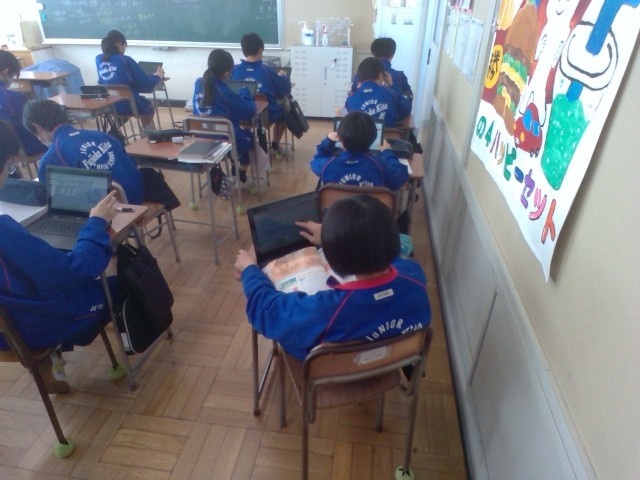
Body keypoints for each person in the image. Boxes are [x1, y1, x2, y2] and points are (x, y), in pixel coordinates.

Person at [0, 119, 120, 393]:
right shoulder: (4, 231)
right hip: (25, 327)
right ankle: (56, 352)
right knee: (112, 278)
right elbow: (73, 271)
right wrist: (97, 222)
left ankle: (49, 365)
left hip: (6, 324)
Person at [235, 194, 431, 361]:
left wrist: (249, 270)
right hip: (392, 360)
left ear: (338, 260)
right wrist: (336, 236)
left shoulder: (326, 311)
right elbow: (384, 254)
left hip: (332, 370)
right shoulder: (414, 275)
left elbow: (268, 311)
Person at [23, 99, 144, 204]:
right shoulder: (102, 135)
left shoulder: (51, 158)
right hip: (139, 198)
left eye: (36, 134)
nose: (38, 139)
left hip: (110, 213)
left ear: (37, 127)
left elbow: (53, 200)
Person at [193, 49, 257, 183]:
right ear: (227, 73)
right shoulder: (225, 92)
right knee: (248, 136)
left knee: (234, 131)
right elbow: (249, 111)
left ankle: (233, 169)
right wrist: (245, 93)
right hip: (226, 144)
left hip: (201, 140)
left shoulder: (198, 84)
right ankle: (241, 173)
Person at [310, 111, 408, 190]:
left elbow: (317, 159)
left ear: (340, 138)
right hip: (370, 209)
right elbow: (400, 176)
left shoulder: (327, 164)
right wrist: (388, 153)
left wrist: (329, 141)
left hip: (336, 209)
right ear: (373, 138)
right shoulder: (379, 165)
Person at [231, 32, 291, 153]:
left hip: (240, 115)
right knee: (285, 110)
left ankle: (247, 138)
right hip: (266, 116)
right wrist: (283, 76)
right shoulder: (267, 71)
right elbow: (284, 89)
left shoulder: (234, 70)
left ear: (243, 50)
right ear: (260, 49)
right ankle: (275, 144)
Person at [95, 30, 164, 129]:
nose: (125, 48)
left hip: (109, 104)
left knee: (124, 104)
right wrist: (157, 76)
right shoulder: (125, 60)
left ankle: (114, 131)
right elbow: (147, 85)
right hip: (127, 103)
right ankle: (149, 132)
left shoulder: (99, 59)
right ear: (119, 45)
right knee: (150, 104)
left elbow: (103, 80)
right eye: (125, 45)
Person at [0, 50, 47, 163]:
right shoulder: (14, 97)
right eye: (13, 76)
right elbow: (29, 124)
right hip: (19, 150)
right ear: (6, 72)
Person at [345, 57, 412, 128]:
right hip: (387, 134)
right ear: (380, 75)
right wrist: (391, 85)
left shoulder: (350, 99)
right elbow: (406, 110)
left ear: (359, 78)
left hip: (361, 134)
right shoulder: (391, 93)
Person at [351, 37, 413, 102]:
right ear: (392, 55)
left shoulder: (361, 74)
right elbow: (408, 100)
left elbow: (352, 97)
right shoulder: (400, 76)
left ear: (373, 54)